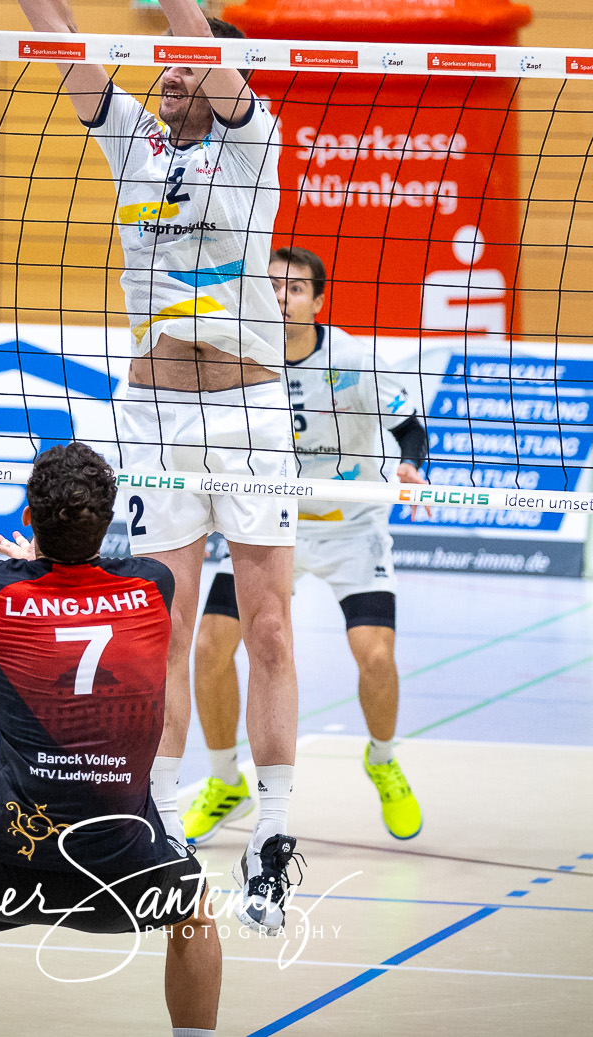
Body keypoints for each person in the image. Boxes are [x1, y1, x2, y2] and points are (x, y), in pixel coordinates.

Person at [0, 0, 301, 931]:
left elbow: (198, 41)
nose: (168, 71)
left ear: (219, 77)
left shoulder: (253, 146)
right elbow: (62, 40)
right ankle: (141, 828)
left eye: (186, 62)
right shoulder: (134, 149)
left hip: (247, 411)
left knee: (270, 629)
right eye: (161, 64)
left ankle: (276, 835)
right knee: (147, 625)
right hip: (153, 415)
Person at [0, 443, 220, 1037]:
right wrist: (38, 564)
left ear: (28, 516)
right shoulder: (154, 587)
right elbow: (84, 584)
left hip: (6, 867)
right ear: (109, 524)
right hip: (123, 874)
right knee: (196, 911)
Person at [185, 247, 428, 845]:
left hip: (351, 526)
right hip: (268, 521)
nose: (280, 297)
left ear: (318, 301)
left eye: (294, 288)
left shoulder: (355, 357)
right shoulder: (236, 353)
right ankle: (225, 781)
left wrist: (411, 467)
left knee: (375, 656)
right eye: (270, 287)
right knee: (211, 648)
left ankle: (383, 758)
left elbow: (410, 428)